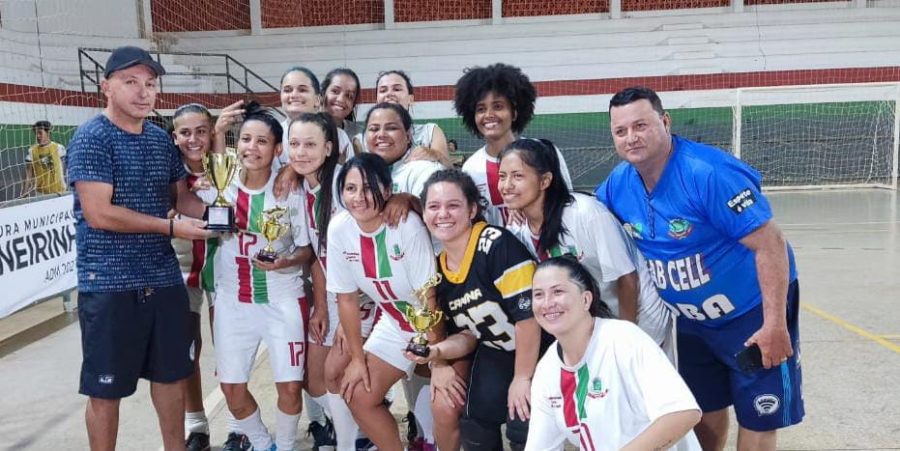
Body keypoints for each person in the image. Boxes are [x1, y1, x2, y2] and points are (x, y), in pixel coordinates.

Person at [595, 86, 803, 450]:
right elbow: (587, 219)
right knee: (701, 410)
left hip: (750, 314)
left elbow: (771, 244)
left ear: (664, 121)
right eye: (621, 131)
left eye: (641, 125)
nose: (632, 138)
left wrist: (774, 324)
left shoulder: (708, 173)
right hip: (692, 322)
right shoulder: (618, 185)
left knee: (758, 415)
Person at [67, 45, 212, 451]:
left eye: (150, 84)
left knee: (170, 377)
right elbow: (100, 213)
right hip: (110, 281)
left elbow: (182, 199)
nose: (143, 92)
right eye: (131, 82)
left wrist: (221, 207)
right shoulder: (91, 138)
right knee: (105, 389)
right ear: (106, 87)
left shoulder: (159, 140)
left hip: (162, 277)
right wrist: (170, 226)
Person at [198, 103, 314, 451]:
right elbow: (185, 201)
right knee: (233, 391)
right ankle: (264, 444)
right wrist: (216, 134)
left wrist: (284, 262)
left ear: (277, 149)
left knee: (291, 388)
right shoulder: (220, 185)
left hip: (282, 297)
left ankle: (287, 445)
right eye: (246, 139)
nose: (252, 147)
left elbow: (307, 251)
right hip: (233, 301)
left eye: (262, 141)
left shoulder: (291, 191)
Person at [497, 138, 675, 357]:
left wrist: (626, 337)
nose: (506, 186)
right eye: (502, 176)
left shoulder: (586, 214)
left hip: (640, 318)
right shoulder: (522, 233)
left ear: (544, 181)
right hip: (598, 326)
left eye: (518, 176)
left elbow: (627, 279)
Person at [411, 169, 541, 451]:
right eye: (433, 206)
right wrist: (437, 354)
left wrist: (522, 378)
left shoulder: (495, 244)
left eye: (453, 205)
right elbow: (467, 336)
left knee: (522, 425)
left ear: (472, 209)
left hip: (542, 345)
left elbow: (529, 320)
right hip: (499, 349)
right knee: (475, 422)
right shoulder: (438, 269)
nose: (442, 213)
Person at [525, 257, 702, 451]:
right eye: (538, 295)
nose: (547, 303)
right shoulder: (547, 369)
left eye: (557, 291)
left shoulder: (623, 339)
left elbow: (683, 413)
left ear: (586, 299)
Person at [326, 153, 439, 450]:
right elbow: (347, 300)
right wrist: (358, 359)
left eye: (368, 188)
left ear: (388, 190)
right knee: (357, 393)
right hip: (394, 322)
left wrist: (440, 358)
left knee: (445, 406)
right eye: (350, 189)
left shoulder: (406, 224)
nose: (359, 197)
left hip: (431, 324)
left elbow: (429, 297)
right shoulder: (339, 229)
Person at [286, 111, 379, 451]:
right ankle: (361, 430)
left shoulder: (345, 185)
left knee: (337, 374)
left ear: (328, 148)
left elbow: (366, 250)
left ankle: (352, 439)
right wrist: (322, 306)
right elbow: (317, 255)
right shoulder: (301, 189)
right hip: (336, 297)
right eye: (294, 144)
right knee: (313, 379)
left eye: (310, 144)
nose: (301, 151)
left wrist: (351, 314)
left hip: (362, 300)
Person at [453, 63, 573, 226]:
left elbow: (566, 202)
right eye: (481, 109)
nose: (489, 115)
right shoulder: (471, 168)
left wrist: (526, 205)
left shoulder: (544, 152)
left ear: (514, 112)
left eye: (498, 106)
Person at [21, 120, 67, 197]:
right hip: (41, 194)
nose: (37, 136)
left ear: (48, 132)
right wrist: (24, 192)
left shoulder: (59, 148)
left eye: (40, 133)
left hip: (60, 192)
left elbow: (65, 170)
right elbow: (28, 174)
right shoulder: (32, 151)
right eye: (36, 133)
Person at [322, 67, 363, 138]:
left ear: (353, 104)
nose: (341, 99)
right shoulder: (305, 128)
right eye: (335, 91)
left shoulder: (360, 134)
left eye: (349, 95)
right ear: (323, 93)